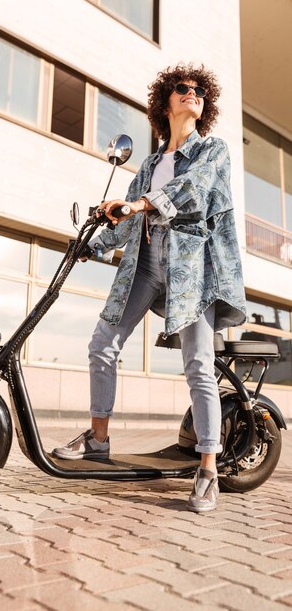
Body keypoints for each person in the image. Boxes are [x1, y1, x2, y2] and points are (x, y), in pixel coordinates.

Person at [53, 63, 246, 513]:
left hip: (189, 269)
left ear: (205, 104)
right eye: (182, 88)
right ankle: (98, 440)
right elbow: (127, 222)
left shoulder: (212, 151)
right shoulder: (152, 163)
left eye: (198, 90)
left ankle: (208, 468)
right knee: (102, 344)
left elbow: (193, 189)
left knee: (198, 365)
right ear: (166, 102)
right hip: (145, 263)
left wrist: (138, 203)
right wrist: (91, 245)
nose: (191, 93)